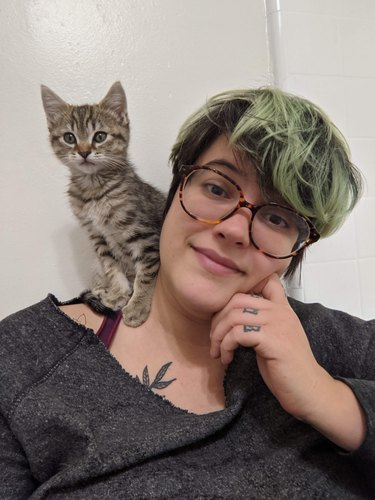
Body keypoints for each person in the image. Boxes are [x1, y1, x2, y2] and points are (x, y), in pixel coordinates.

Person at [0, 87, 374, 499]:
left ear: (297, 250)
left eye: (276, 216)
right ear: (178, 185)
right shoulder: (23, 360)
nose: (233, 229)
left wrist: (327, 398)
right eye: (217, 189)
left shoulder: (314, 337)